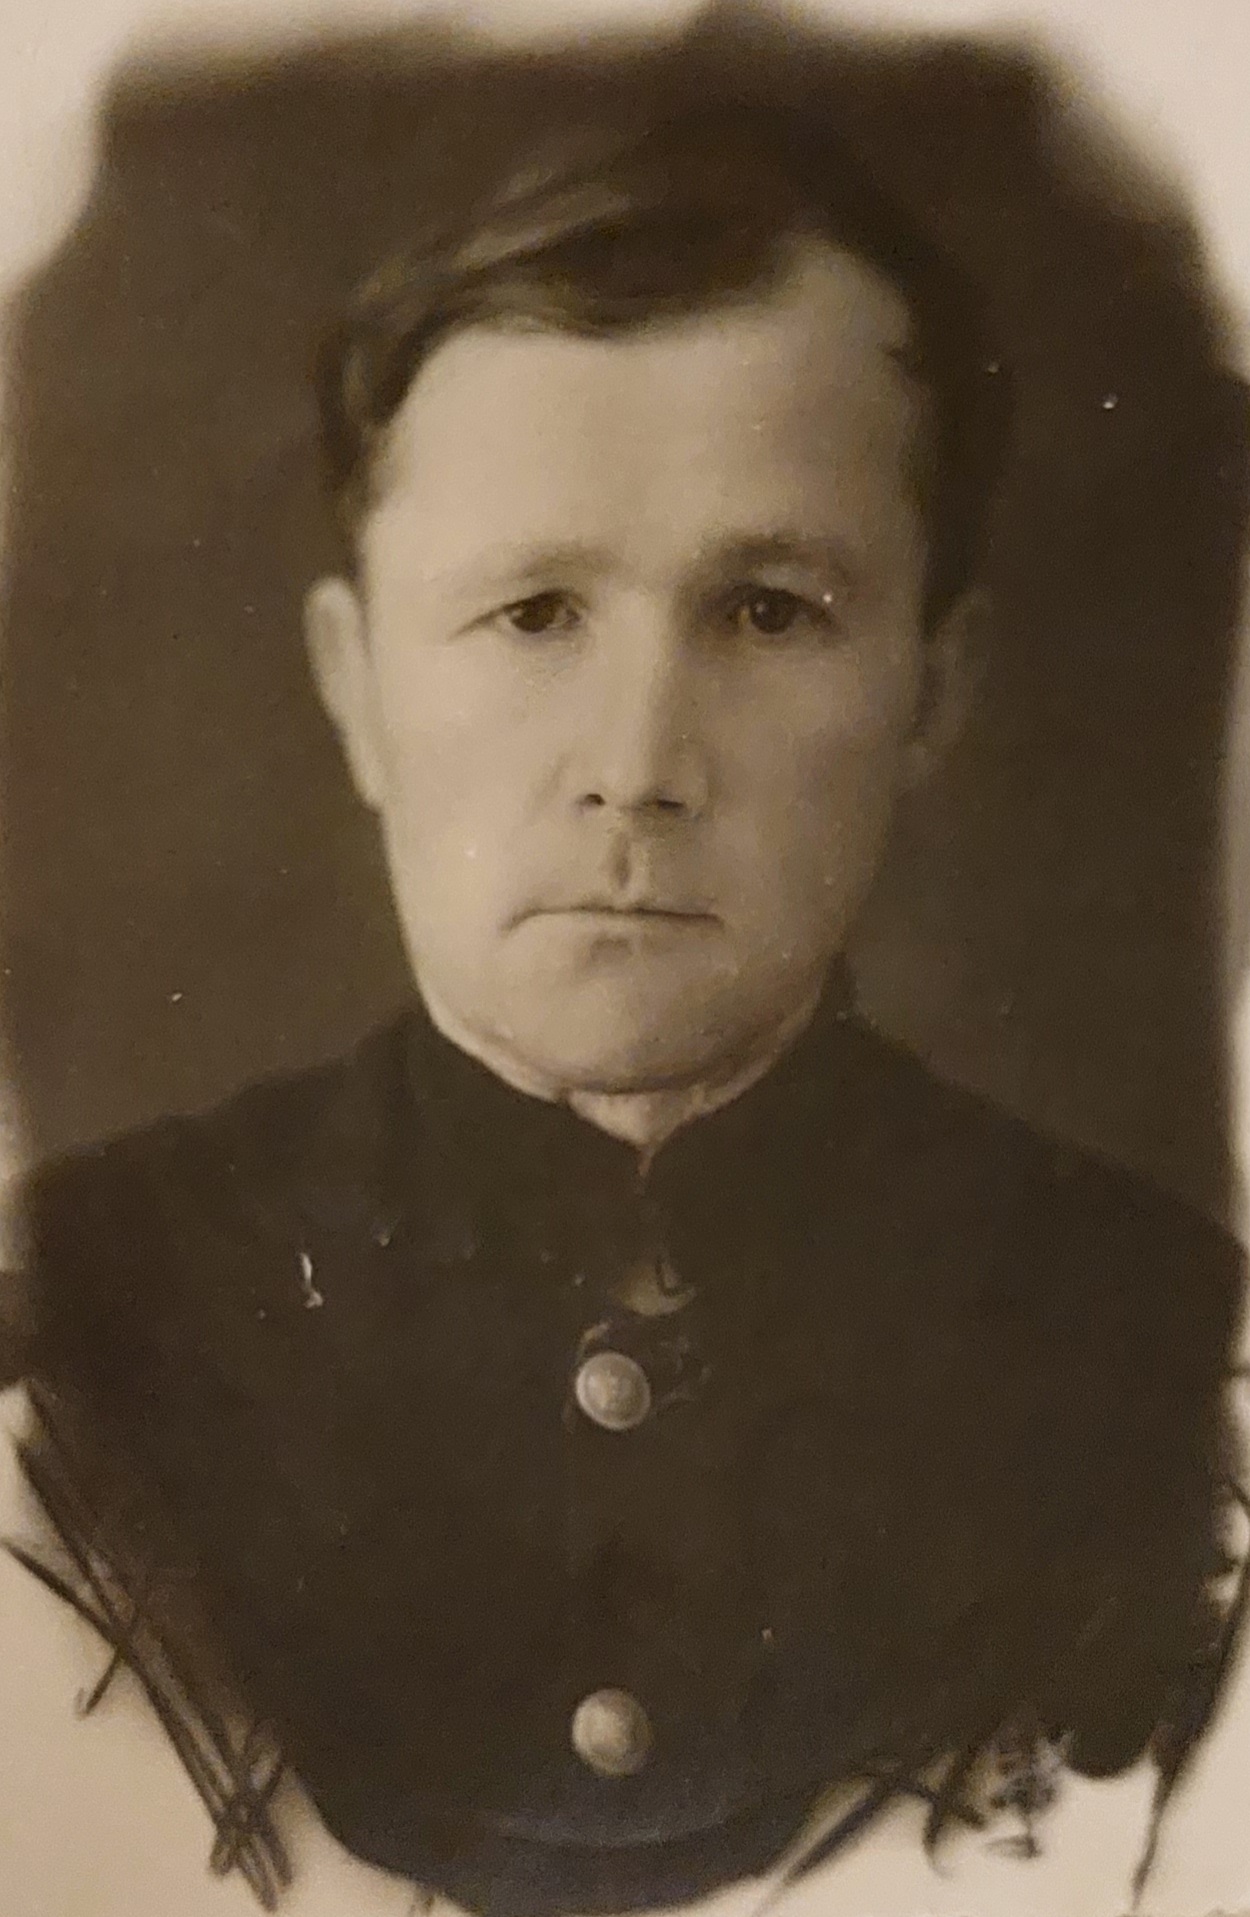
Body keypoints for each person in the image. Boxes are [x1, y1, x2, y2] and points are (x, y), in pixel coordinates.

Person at [1, 98, 1245, 1917]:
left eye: (767, 611)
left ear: (931, 688)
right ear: (356, 685)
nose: (639, 764)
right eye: (531, 613)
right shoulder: (68, 1353)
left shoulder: (1179, 1371)